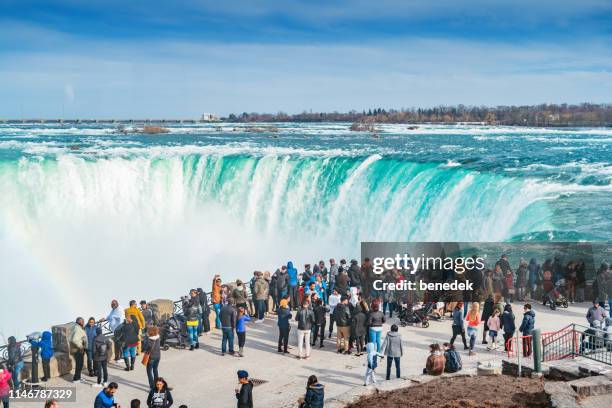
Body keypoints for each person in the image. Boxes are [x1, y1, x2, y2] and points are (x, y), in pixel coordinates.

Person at [69, 317, 88, 383]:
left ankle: (78, 377)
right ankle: (76, 379)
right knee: (79, 364)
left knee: (79, 364)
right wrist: (81, 347)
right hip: (78, 350)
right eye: (82, 321)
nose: (83, 323)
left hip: (76, 349)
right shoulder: (77, 329)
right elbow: (74, 339)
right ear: (79, 322)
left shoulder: (76, 327)